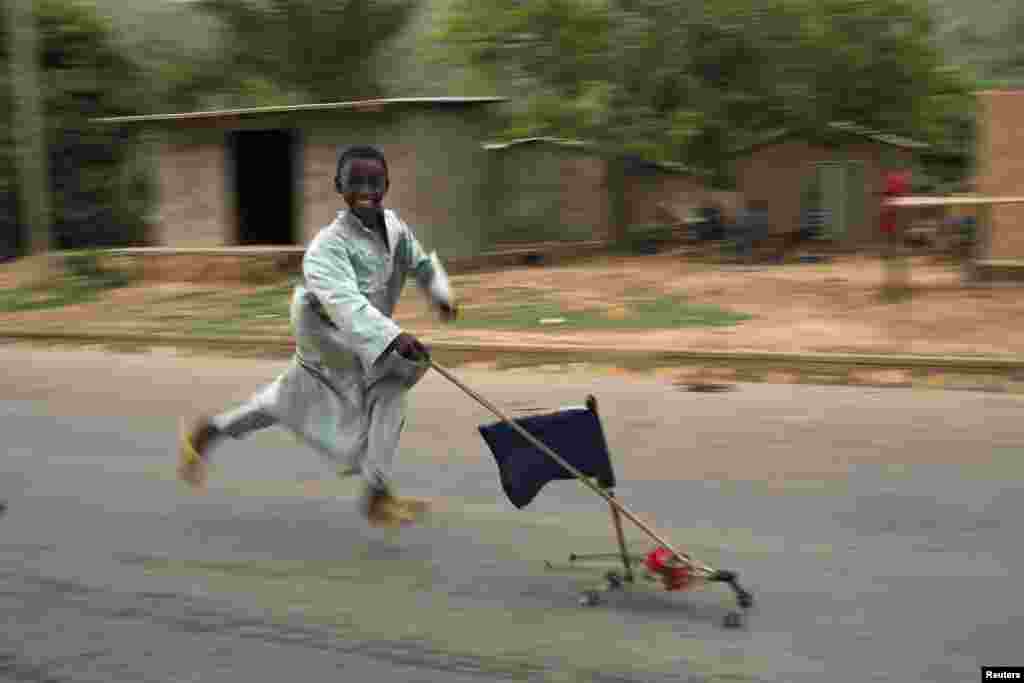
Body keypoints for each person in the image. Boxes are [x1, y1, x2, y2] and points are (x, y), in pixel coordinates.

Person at [178, 144, 458, 527]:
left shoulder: (394, 229)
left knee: (285, 399)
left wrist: (440, 295)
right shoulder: (327, 247)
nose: (365, 190)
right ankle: (376, 495)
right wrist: (394, 338)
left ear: (386, 185)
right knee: (389, 384)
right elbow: (345, 304)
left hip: (360, 334)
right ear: (339, 187)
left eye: (373, 182)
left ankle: (208, 433)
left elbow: (423, 266)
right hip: (323, 330)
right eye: (354, 182)